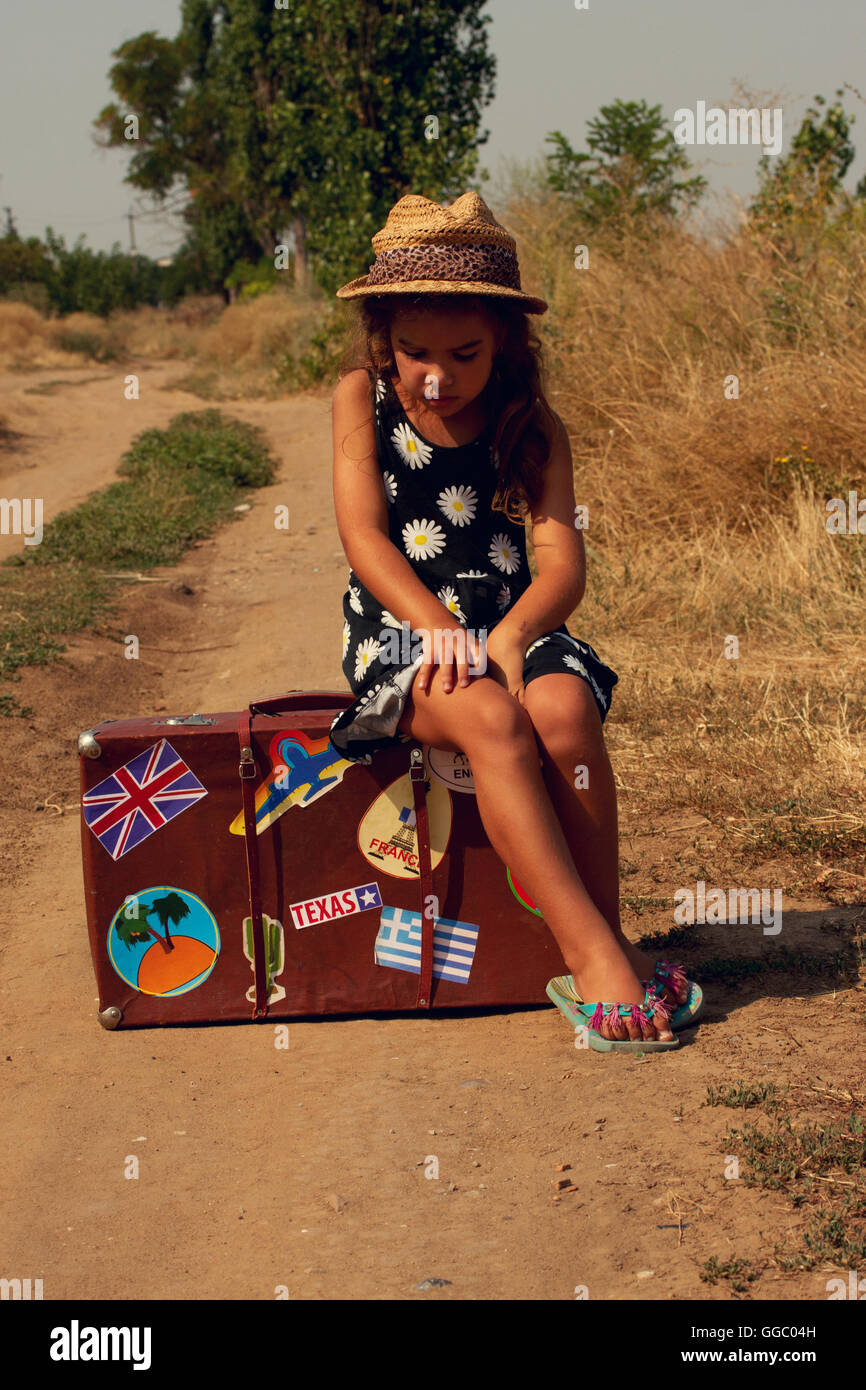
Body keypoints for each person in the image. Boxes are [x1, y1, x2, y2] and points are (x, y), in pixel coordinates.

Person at [328, 191, 702, 1052]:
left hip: (513, 622)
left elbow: (561, 563)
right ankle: (601, 965)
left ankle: (605, 940)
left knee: (564, 710)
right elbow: (365, 540)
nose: (436, 376)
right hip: (401, 630)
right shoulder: (363, 400)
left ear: (504, 340)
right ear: (384, 337)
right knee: (493, 718)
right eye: (415, 352)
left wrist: (510, 636)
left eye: (463, 354)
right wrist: (436, 628)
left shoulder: (534, 427)